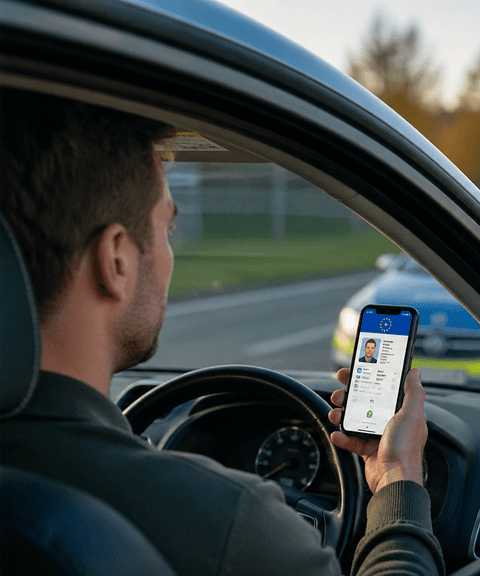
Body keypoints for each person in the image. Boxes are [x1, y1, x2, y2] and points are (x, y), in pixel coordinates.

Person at [0, 88, 444, 576]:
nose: (170, 257)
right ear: (117, 261)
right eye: (167, 231)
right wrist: (398, 480)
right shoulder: (233, 524)